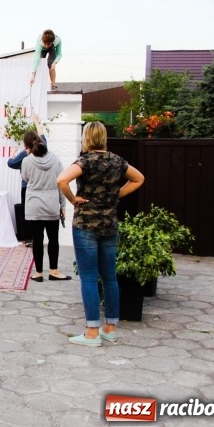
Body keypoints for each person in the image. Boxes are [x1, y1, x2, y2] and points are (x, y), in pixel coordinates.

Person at [56, 122, 145, 347]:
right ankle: (110, 328)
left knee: (88, 278)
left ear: (86, 138)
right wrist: (116, 195)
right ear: (104, 138)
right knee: (110, 278)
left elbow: (61, 180)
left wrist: (73, 199)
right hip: (109, 224)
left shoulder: (84, 161)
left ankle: (92, 332)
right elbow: (139, 178)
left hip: (86, 225)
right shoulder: (117, 161)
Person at [21, 135, 69, 282]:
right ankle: (54, 271)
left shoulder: (27, 160)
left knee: (37, 239)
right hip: (52, 203)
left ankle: (39, 273)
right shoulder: (55, 159)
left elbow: (25, 178)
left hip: (34, 203)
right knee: (53, 238)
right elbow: (62, 182)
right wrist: (63, 205)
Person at [7, 113, 47, 246]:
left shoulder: (25, 154)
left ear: (25, 144)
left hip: (27, 187)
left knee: (28, 213)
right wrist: (36, 121)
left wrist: (12, 153)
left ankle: (32, 238)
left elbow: (11, 163)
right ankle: (37, 238)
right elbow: (42, 134)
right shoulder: (43, 148)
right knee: (39, 213)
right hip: (42, 185)